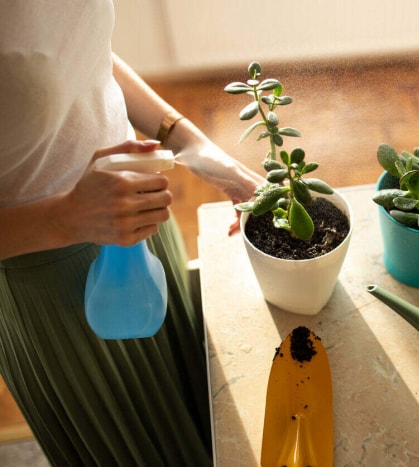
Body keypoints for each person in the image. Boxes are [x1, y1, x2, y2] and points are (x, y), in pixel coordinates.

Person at [0, 2, 263, 465]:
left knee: (204, 425)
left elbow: (79, 53)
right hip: (53, 280)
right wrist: (67, 216)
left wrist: (192, 145)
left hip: (141, 225)